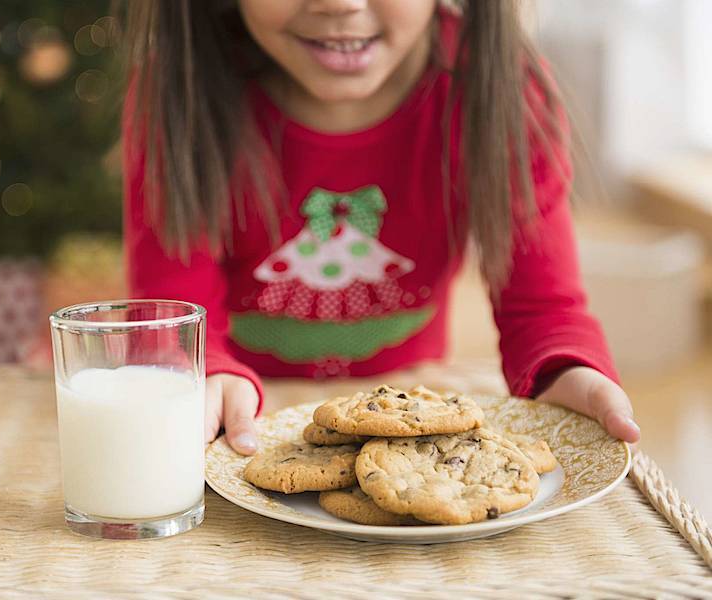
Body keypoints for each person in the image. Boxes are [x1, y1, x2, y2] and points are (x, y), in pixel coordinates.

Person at [122, 0, 641, 455]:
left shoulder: (502, 88)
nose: (340, 4)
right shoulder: (178, 92)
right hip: (244, 434)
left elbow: (544, 316)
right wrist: (204, 375)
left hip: (410, 420)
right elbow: (175, 327)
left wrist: (567, 373)